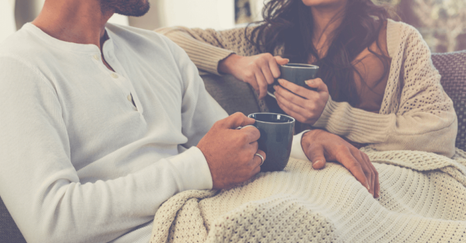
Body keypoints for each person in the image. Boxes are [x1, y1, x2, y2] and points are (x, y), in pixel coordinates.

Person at [0, 0, 378, 243]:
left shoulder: (158, 50)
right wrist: (198, 167)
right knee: (315, 241)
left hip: (222, 212)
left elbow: (229, 145)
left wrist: (303, 142)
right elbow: (50, 227)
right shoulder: (13, 72)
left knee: (369, 195)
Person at [156, 0, 458, 157]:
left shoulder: (399, 40)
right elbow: (163, 38)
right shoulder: (271, 38)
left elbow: (440, 131)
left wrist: (334, 116)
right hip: (295, 181)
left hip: (373, 181)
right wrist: (233, 62)